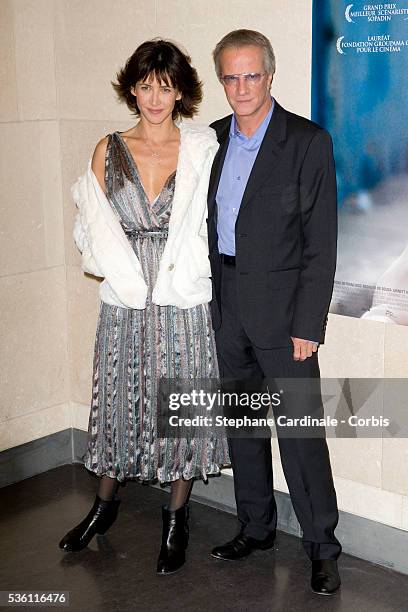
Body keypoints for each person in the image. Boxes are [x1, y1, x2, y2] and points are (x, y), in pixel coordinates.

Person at [59, 39, 229, 575]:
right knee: (118, 403)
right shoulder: (106, 149)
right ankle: (104, 505)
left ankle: (176, 517)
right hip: (128, 300)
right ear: (132, 87)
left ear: (182, 91)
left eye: (167, 85)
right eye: (147, 85)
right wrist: (121, 267)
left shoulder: (202, 149)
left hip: (181, 299)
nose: (156, 97)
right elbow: (90, 228)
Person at [206, 29, 342, 595]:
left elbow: (321, 242)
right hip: (226, 302)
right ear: (222, 81)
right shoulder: (210, 140)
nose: (241, 88)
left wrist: (308, 325)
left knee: (300, 434)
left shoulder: (307, 141)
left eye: (251, 75)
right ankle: (256, 527)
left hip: (285, 315)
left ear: (270, 76)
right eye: (231, 77)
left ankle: (322, 547)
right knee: (243, 426)